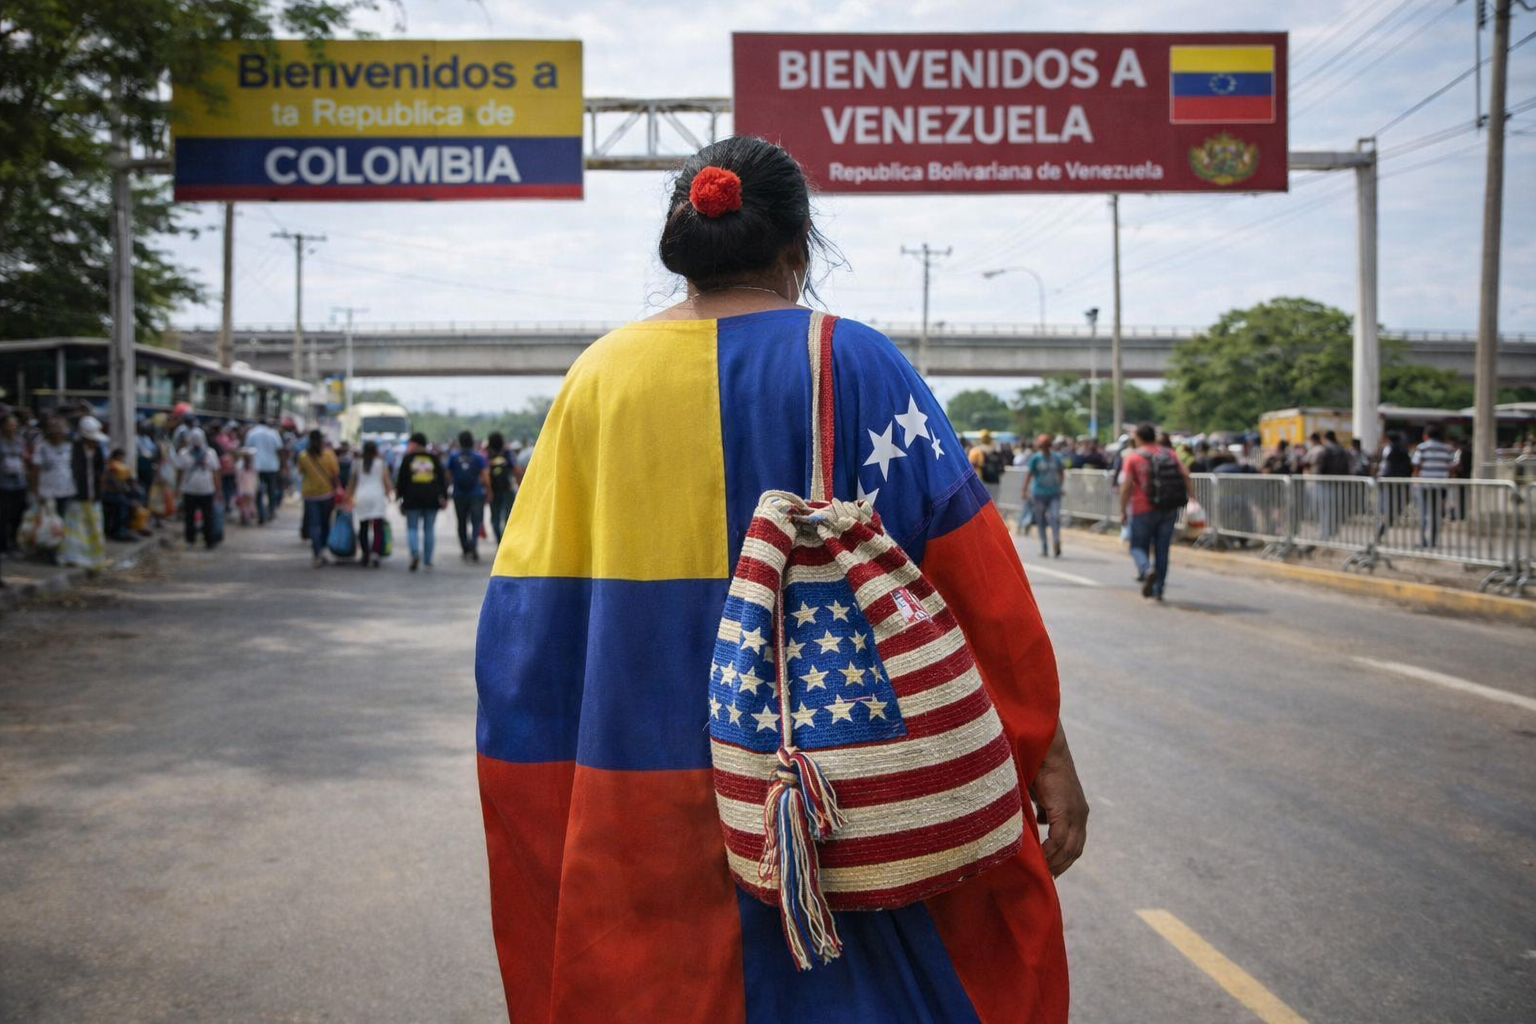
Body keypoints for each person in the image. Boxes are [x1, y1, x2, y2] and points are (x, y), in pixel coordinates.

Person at [475, 137, 1085, 1024]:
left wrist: (551, 781)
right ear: (799, 249)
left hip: (644, 788)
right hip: (841, 805)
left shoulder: (595, 380)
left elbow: (530, 622)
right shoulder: (855, 361)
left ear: (679, 251)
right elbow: (970, 588)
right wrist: (1046, 752)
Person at [1119, 421, 1193, 601]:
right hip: (1169, 508)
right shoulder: (1169, 453)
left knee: (1137, 546)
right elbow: (1185, 475)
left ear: (1139, 437)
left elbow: (1126, 486)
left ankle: (1146, 569)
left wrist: (1122, 510)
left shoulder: (1133, 457)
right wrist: (1193, 500)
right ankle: (1159, 589)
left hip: (1142, 509)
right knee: (1162, 549)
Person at [395, 432, 447, 572]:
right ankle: (428, 559)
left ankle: (414, 553)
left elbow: (401, 480)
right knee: (429, 529)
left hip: (412, 498)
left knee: (412, 527)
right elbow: (442, 479)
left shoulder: (408, 459)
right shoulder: (434, 458)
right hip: (431, 498)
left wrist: (399, 498)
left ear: (415, 444)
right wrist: (444, 497)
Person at [295, 429, 341, 567]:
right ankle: (322, 549)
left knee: (314, 525)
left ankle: (316, 554)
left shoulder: (303, 456)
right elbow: (335, 473)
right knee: (325, 523)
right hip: (326, 494)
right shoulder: (329, 455)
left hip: (309, 495)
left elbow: (301, 471)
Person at [347, 439, 392, 568]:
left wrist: (347, 497)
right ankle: (375, 553)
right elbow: (386, 480)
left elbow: (352, 481)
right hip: (377, 496)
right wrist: (389, 494)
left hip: (361, 496)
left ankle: (365, 554)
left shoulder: (357, 462)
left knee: (363, 527)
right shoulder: (381, 463)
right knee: (378, 528)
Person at [1021, 431, 1066, 558]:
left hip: (1054, 493)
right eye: (1042, 445)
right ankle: (1044, 545)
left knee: (1055, 517)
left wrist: (1060, 486)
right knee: (1040, 520)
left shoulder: (1056, 457)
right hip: (1039, 493)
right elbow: (1029, 475)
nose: (1044, 447)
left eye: (1046, 445)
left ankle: (1056, 540)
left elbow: (1061, 472)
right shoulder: (1035, 458)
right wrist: (1024, 490)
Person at [175, 428, 222, 549]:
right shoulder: (183, 453)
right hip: (189, 489)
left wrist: (218, 489)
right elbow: (179, 471)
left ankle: (209, 540)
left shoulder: (210, 453)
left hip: (207, 489)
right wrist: (177, 488)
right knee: (189, 517)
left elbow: (216, 472)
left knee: (208, 516)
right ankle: (190, 539)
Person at [447, 429, 489, 562]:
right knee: (476, 520)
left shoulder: (453, 456)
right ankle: (474, 542)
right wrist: (488, 490)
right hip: (475, 493)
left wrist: (446, 489)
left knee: (461, 522)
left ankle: (465, 548)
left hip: (458, 493)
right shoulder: (477, 456)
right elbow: (485, 476)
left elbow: (447, 475)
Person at [1411, 424, 1455, 548]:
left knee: (1424, 513)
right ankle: (1433, 541)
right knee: (1436, 514)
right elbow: (1451, 467)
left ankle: (1423, 541)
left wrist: (1415, 480)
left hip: (1425, 484)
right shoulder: (1448, 448)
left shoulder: (1422, 447)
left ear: (1426, 435)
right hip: (1441, 485)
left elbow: (1416, 465)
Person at [244, 418, 285, 524]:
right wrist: (282, 465)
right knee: (271, 490)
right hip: (272, 467)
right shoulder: (273, 434)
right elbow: (280, 449)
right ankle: (270, 511)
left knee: (258, 491)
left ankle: (261, 513)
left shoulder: (252, 433)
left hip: (257, 467)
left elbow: (247, 451)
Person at [1, 412, 28, 556]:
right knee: (3, 515)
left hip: (19, 483)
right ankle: (3, 545)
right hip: (3, 483)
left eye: (14, 425)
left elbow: (24, 458)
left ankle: (14, 541)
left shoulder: (19, 440)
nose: (13, 427)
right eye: (10, 425)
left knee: (17, 514)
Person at [485, 431, 517, 542]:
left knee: (495, 518)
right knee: (508, 517)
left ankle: (499, 541)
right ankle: (505, 540)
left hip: (493, 490)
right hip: (507, 489)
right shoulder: (507, 453)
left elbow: (485, 474)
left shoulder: (487, 455)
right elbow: (515, 468)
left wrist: (488, 491)